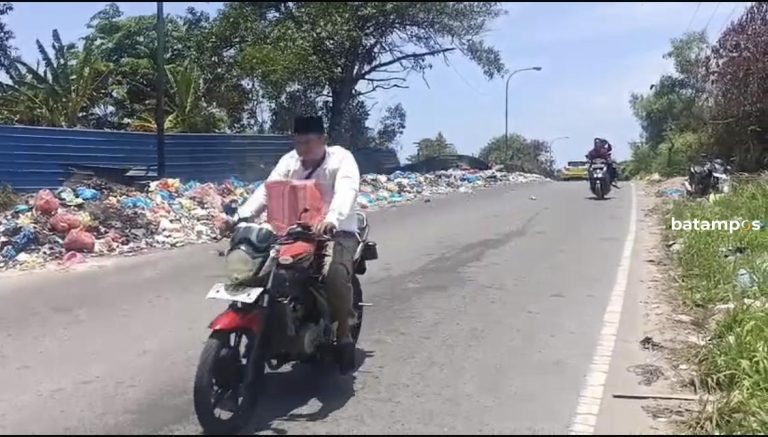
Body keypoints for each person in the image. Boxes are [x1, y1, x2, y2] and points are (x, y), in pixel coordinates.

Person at [233, 115, 361, 374]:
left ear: (323, 140)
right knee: (256, 266)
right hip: (292, 230)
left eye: (308, 142)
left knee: (334, 275)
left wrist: (332, 219)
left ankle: (345, 335)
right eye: (297, 142)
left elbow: (347, 190)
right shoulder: (289, 161)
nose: (302, 149)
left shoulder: (341, 159)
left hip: (335, 231)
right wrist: (240, 216)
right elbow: (267, 190)